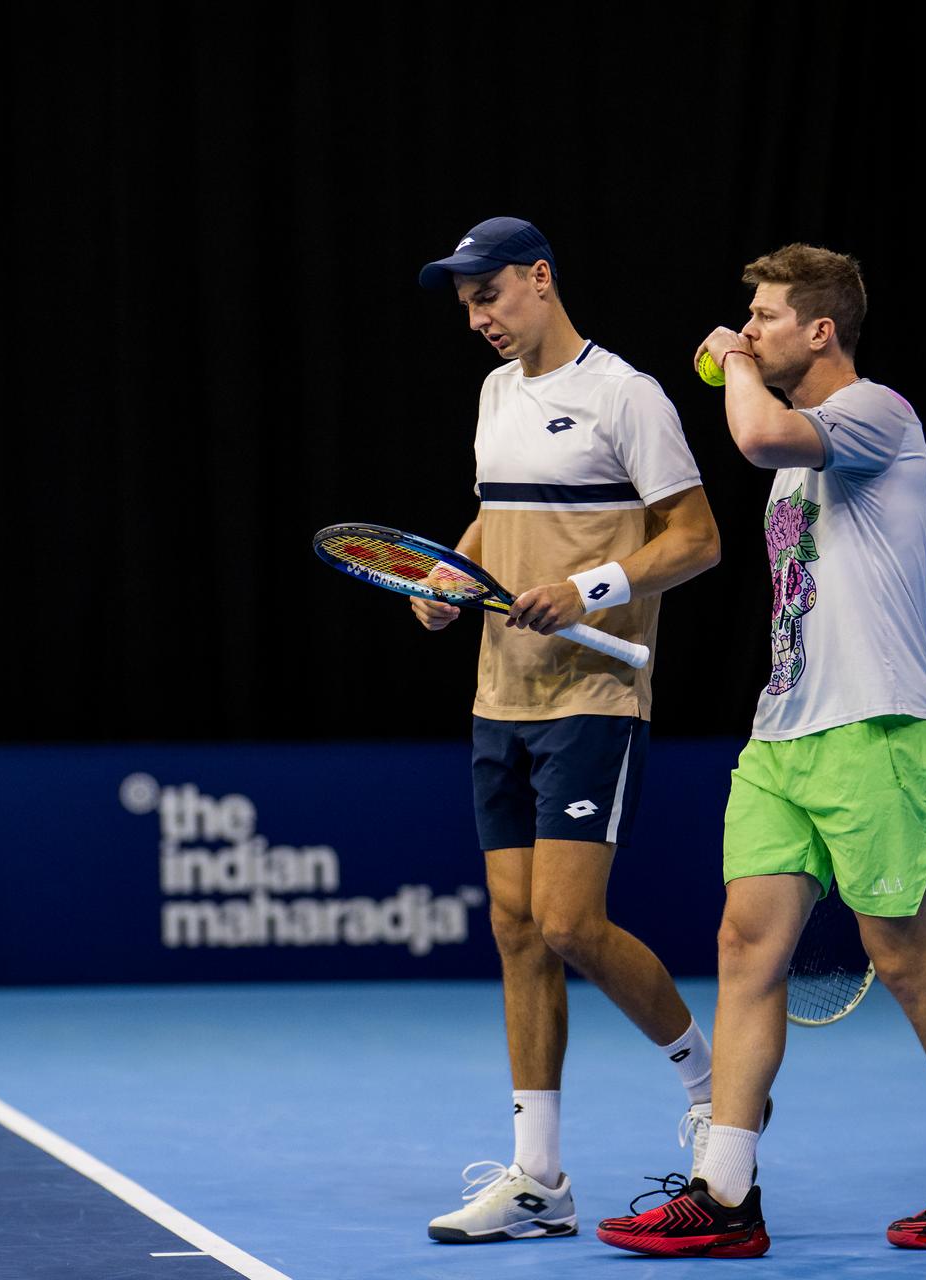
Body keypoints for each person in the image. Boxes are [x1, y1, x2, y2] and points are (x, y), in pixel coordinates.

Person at [595, 244, 926, 1258]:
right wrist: (742, 363)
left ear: (821, 330)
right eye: (747, 319)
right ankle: (725, 1191)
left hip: (878, 725)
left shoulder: (878, 413)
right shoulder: (799, 454)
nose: (749, 331)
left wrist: (730, 360)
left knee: (905, 956)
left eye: (764, 317)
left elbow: (755, 434)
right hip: (782, 733)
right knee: (743, 947)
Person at [413, 217, 723, 1244]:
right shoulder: (495, 394)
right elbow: (494, 517)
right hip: (498, 696)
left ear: (540, 278)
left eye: (490, 295)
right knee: (515, 929)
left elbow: (698, 538)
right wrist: (450, 576)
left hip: (594, 694)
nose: (479, 318)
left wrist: (590, 588)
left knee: (568, 922)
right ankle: (539, 1179)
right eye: (468, 305)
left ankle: (713, 1082)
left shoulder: (628, 396)